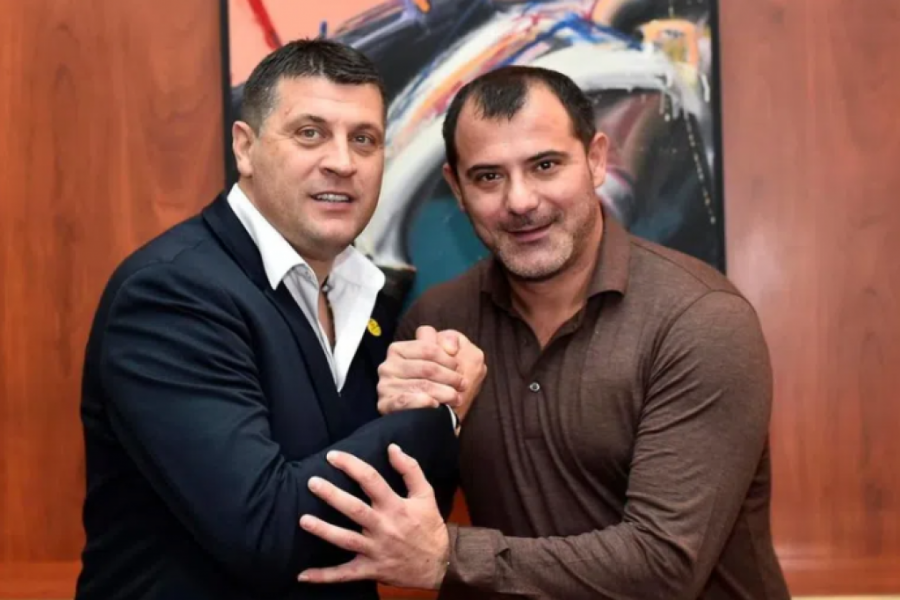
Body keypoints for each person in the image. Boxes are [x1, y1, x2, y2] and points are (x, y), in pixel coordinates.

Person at [295, 66, 792, 599]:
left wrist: (448, 558)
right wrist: (405, 425)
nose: (521, 201)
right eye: (488, 177)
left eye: (545, 165)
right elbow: (406, 518)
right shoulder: (437, 322)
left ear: (596, 160)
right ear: (457, 189)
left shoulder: (699, 320)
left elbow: (664, 566)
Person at [75, 40, 462, 600]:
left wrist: (425, 391)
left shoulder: (371, 296)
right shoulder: (170, 294)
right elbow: (270, 532)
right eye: (310, 133)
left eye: (363, 139)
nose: (342, 161)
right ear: (245, 147)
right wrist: (439, 411)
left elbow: (409, 512)